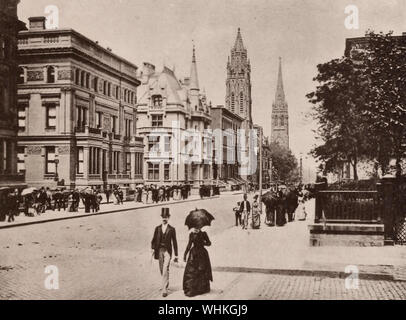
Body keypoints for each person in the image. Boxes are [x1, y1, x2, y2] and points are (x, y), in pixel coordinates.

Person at [151, 208, 178, 298]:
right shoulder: (157, 228)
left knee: (165, 268)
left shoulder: (172, 229)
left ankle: (164, 289)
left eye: (166, 217)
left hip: (167, 251)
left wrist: (176, 255)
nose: (164, 219)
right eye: (163, 217)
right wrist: (152, 248)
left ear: (169, 217)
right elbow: (154, 240)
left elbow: (174, 242)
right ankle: (166, 283)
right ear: (161, 217)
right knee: (162, 269)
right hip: (159, 251)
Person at [183, 228, 213, 297]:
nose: (196, 228)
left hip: (202, 254)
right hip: (193, 254)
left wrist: (203, 243)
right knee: (191, 271)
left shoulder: (203, 233)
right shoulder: (191, 234)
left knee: (202, 270)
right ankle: (192, 289)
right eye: (195, 227)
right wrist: (185, 254)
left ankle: (202, 289)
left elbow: (209, 243)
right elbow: (189, 245)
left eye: (198, 227)